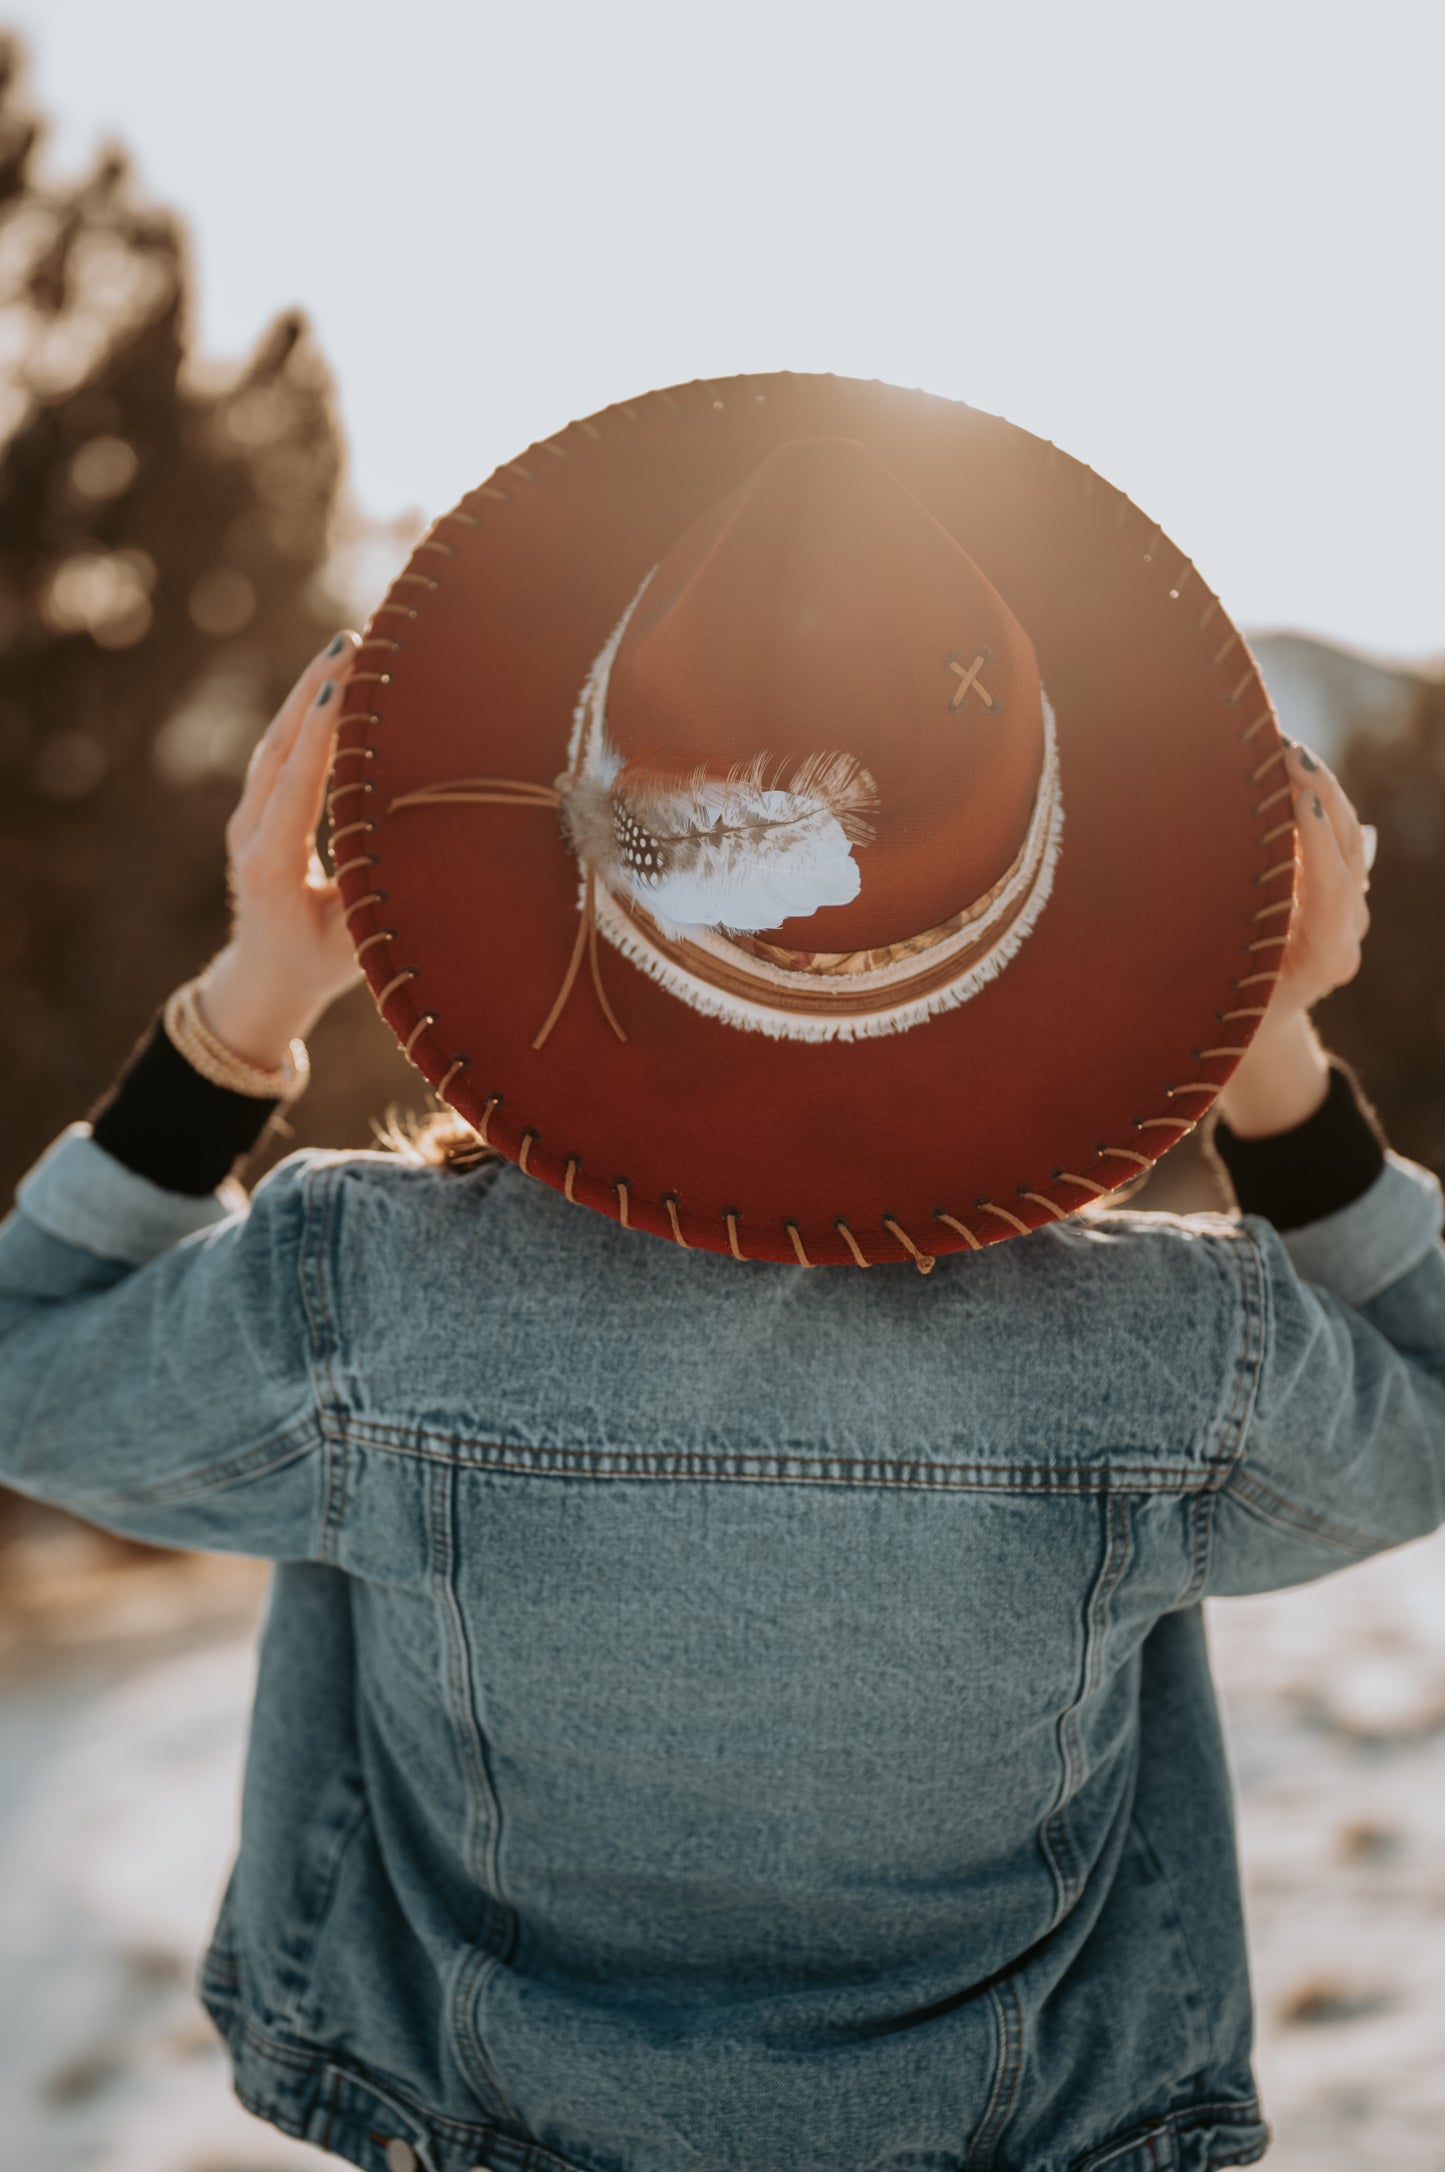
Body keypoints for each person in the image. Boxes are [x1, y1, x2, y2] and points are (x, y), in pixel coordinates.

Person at [1, 382, 1442, 2172]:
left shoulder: (363, 1300)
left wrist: (245, 1011)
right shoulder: (1167, 1358)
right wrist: (1276, 1064)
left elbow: (24, 1365)